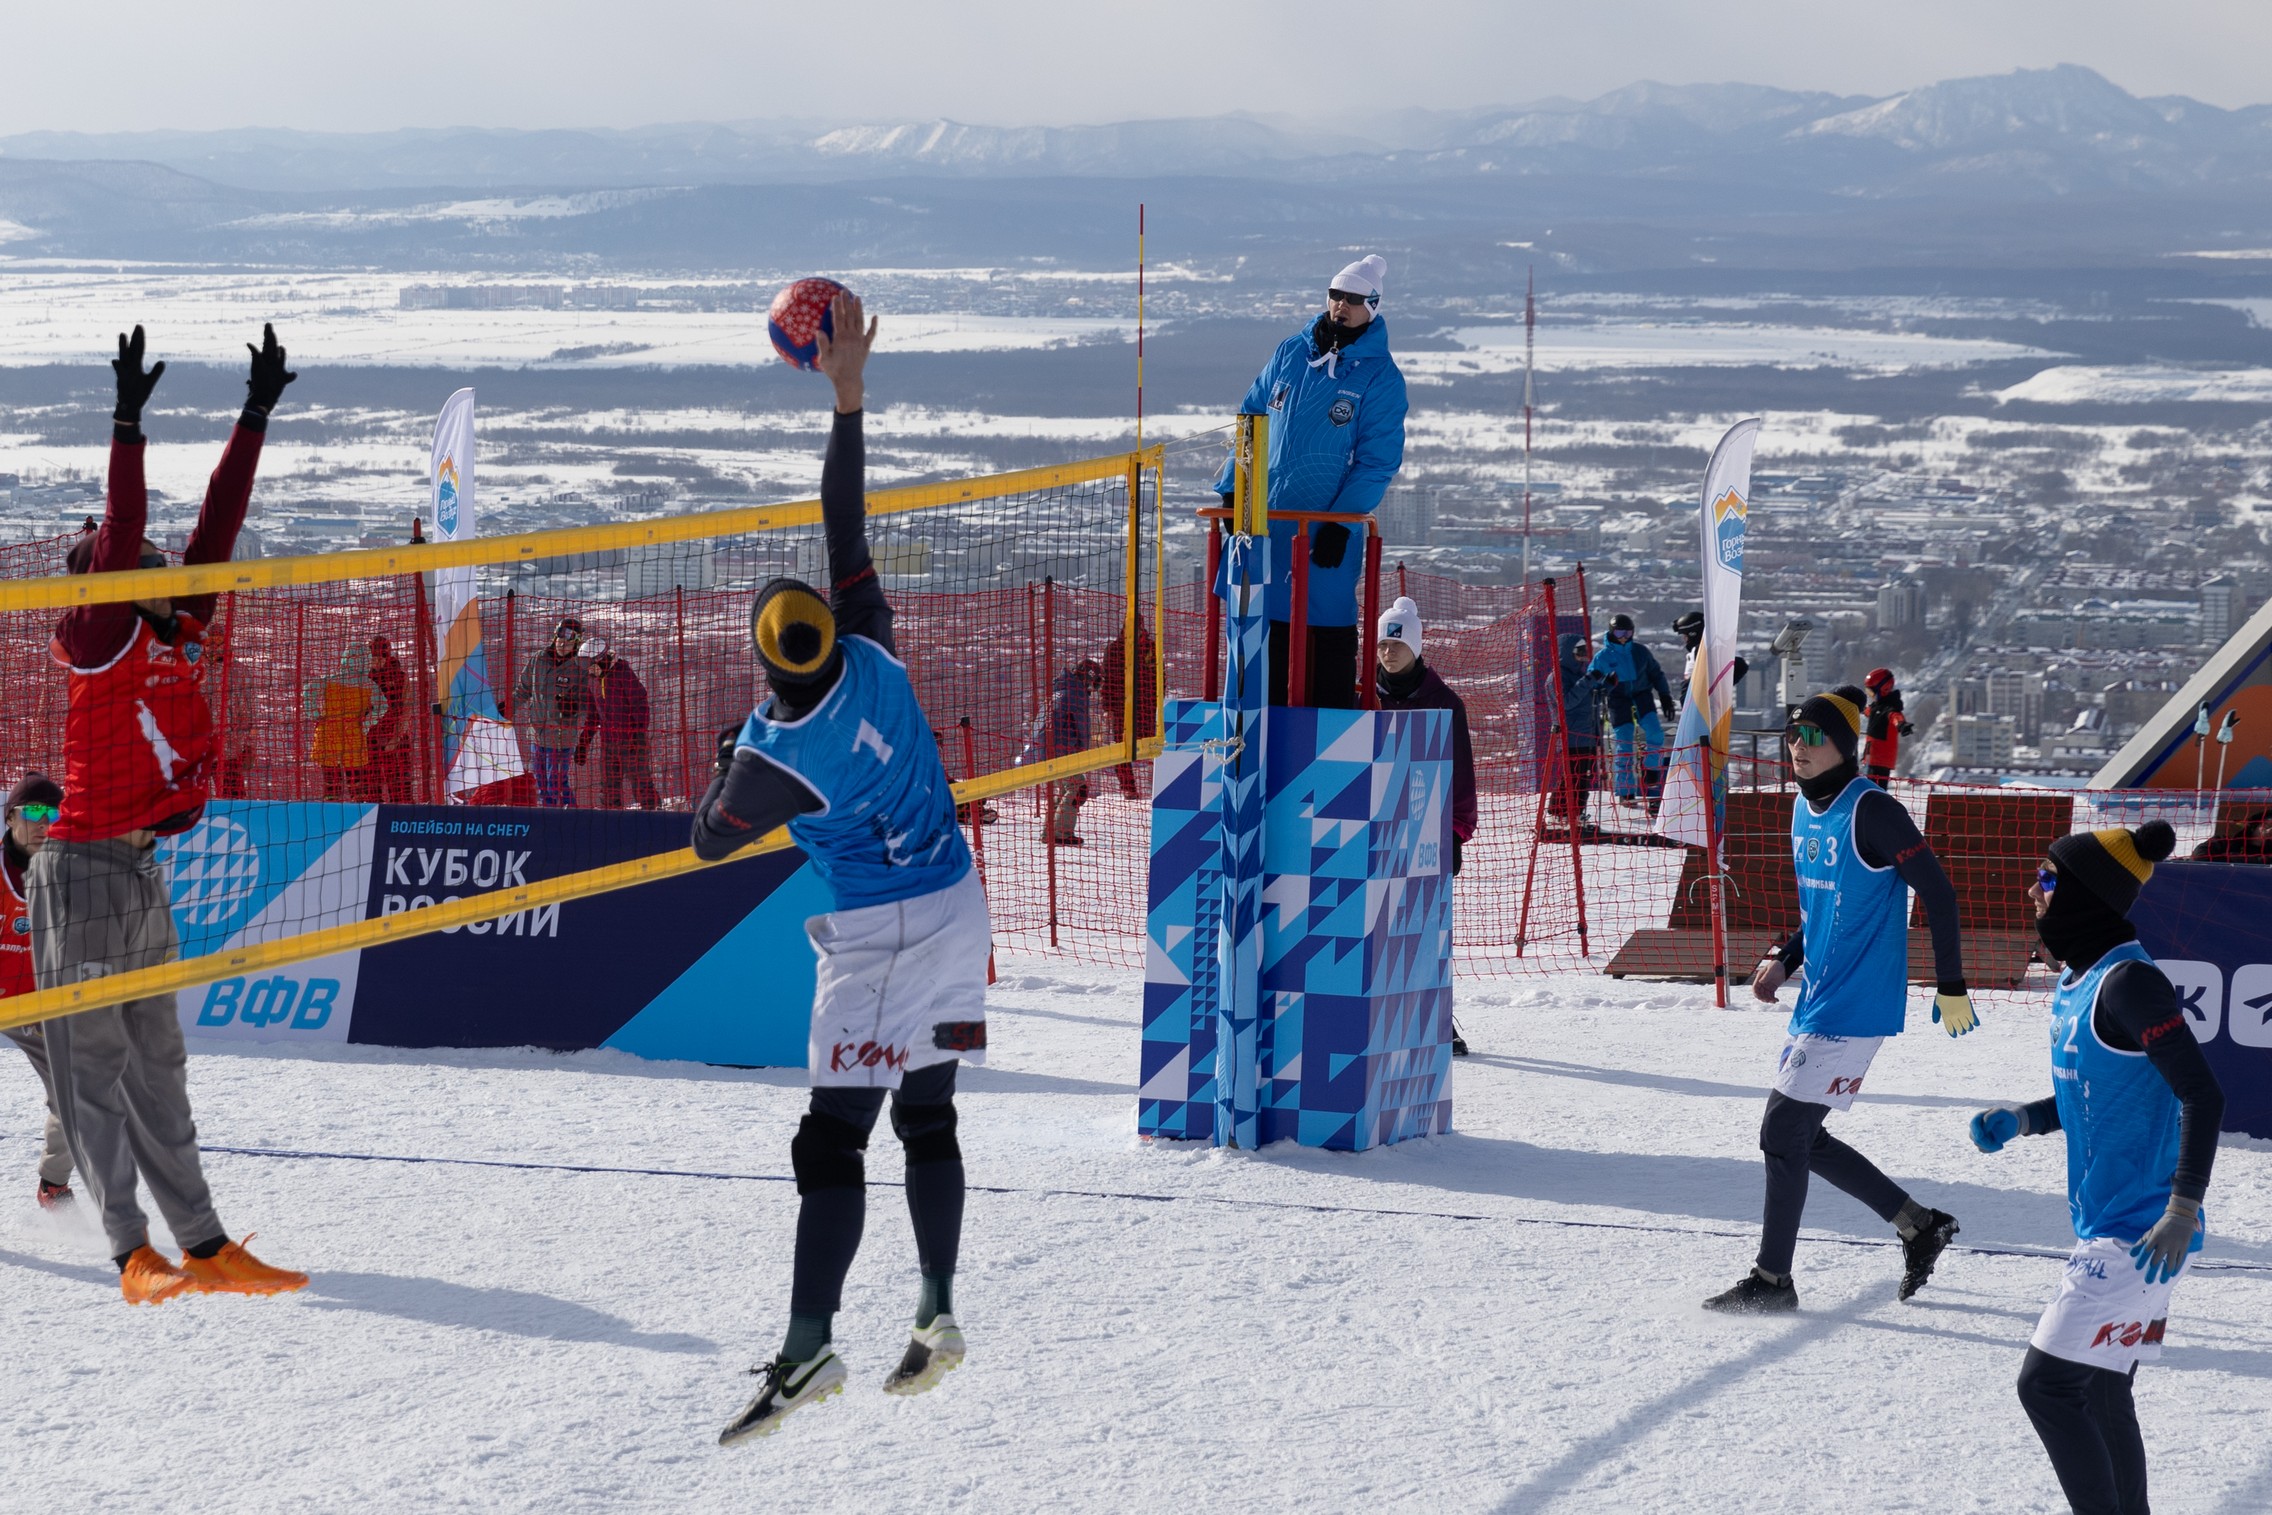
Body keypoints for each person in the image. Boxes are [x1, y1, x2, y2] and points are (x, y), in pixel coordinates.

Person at [692, 292, 988, 1445]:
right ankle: (938, 1307)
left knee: (829, 1142)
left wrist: (730, 749)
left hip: (878, 939)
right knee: (930, 1121)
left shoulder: (776, 753)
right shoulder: (872, 652)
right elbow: (843, 515)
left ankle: (811, 1346)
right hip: (958, 906)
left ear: (766, 667)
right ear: (827, 622)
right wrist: (848, 394)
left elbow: (712, 836)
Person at [34, 323, 306, 1304]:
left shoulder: (176, 618)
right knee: (94, 1078)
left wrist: (256, 412)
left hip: (141, 865)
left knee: (162, 1069)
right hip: (83, 869)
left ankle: (204, 1245)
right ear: (106, 573)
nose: (155, 556)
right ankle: (127, 1255)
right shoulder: (102, 629)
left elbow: (217, 527)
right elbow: (122, 517)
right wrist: (125, 425)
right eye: (134, 554)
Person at [1969, 818, 2220, 1515]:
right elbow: (2094, 1090)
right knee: (2105, 1390)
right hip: (2113, 1222)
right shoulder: (2082, 979)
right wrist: (2024, 1118)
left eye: (2048, 878)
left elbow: (2202, 1092)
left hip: (2142, 1236)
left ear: (2086, 895)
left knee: (2045, 1386)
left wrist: (2181, 1208)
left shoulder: (2131, 983)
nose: (2032, 889)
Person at [1707, 686, 1974, 1314]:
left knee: (1781, 1131)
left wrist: (1952, 983)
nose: (1798, 748)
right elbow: (1821, 908)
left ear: (1844, 746)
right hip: (1820, 995)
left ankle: (1773, 1281)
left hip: (1858, 1003)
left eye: (1814, 737)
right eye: (1792, 737)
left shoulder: (1872, 811)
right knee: (1802, 1137)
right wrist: (1786, 957)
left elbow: (1939, 894)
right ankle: (1919, 1224)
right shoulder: (1803, 808)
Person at [1214, 254, 1408, 709]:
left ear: (1373, 307)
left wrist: (1341, 523)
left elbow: (1377, 461)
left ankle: (1324, 754)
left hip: (1321, 535)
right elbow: (1251, 418)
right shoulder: (1291, 352)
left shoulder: (1380, 377)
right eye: (1336, 294)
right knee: (1256, 652)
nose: (1341, 305)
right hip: (1263, 528)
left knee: (1320, 639)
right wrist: (1231, 488)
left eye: (1354, 299)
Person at [1374, 596, 1479, 1056]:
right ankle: (1377, 1015)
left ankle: (1436, 1016)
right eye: (1381, 644)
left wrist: (1455, 832)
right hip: (1371, 826)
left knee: (1423, 926)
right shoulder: (1363, 696)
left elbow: (1461, 771)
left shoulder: (1443, 702)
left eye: (1396, 645)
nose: (1387, 652)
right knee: (1373, 924)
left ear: (1415, 647)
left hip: (1424, 830)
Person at [1, 773, 74, 1209]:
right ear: (11, 818)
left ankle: (53, 1185)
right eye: (33, 813)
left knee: (80, 1093)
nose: (44, 823)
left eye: (53, 813)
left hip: (37, 1004)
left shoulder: (74, 874)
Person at [1584, 614, 1676, 812]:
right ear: (1611, 632)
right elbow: (1592, 682)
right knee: (1624, 742)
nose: (1624, 637)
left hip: (1641, 695)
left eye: (1628, 632)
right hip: (1618, 699)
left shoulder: (1640, 652)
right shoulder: (1602, 657)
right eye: (1619, 632)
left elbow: (1656, 673)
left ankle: (1650, 769)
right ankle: (1625, 789)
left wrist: (1665, 695)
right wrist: (1602, 687)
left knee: (1655, 733)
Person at [1022, 659, 1102, 845]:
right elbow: (1082, 728)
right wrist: (1083, 752)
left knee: (1066, 789)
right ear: (1088, 679)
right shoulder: (1075, 695)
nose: (1092, 690)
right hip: (1061, 749)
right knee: (1077, 789)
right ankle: (1060, 834)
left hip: (1046, 749)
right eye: (1094, 684)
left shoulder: (1059, 691)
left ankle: (1050, 833)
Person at [514, 616, 590, 807]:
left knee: (556, 783)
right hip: (537, 734)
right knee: (542, 785)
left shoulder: (579, 669)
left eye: (568, 642)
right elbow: (523, 689)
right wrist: (507, 707)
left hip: (561, 736)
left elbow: (587, 701)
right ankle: (549, 820)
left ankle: (571, 819)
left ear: (576, 644)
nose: (562, 644)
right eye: (560, 639)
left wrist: (573, 707)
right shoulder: (539, 659)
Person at [577, 640, 662, 810]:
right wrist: (583, 743)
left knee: (641, 785)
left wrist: (637, 734)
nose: (588, 669)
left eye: (590, 664)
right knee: (609, 789)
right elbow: (593, 716)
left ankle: (654, 818)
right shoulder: (592, 681)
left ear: (601, 659)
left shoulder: (623, 673)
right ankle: (611, 825)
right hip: (608, 743)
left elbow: (640, 704)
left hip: (631, 741)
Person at [304, 645, 387, 802]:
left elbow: (309, 690)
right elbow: (382, 706)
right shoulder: (368, 685)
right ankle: (357, 812)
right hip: (352, 733)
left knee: (332, 781)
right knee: (355, 781)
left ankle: (332, 810)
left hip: (330, 733)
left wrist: (314, 714)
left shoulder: (332, 680)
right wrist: (367, 723)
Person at [1547, 632, 1602, 834]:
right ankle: (1557, 813)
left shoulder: (1578, 674)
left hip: (1586, 733)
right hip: (1571, 736)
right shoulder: (1556, 677)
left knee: (1584, 776)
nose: (1582, 657)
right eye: (1579, 653)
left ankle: (1575, 813)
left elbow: (1587, 697)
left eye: (1585, 653)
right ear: (1567, 653)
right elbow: (1567, 703)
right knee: (1572, 776)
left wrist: (1605, 686)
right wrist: (1588, 681)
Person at [1100, 615, 1158, 798]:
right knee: (1121, 748)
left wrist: (1158, 703)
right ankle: (1128, 788)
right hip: (1121, 708)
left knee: (1153, 746)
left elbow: (1160, 676)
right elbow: (1107, 679)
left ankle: (1159, 786)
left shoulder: (1151, 648)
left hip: (1146, 707)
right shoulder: (1114, 649)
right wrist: (1107, 707)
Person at [366, 635, 415, 802]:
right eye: (374, 658)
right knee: (371, 784)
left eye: (380, 658)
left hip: (394, 735)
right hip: (370, 736)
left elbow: (406, 708)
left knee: (400, 784)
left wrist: (397, 736)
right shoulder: (364, 677)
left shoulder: (400, 677)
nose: (376, 662)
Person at [1862, 667, 1912, 783]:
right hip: (1871, 758)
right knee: (1868, 789)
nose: (1870, 695)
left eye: (1871, 692)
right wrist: (1856, 707)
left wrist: (1902, 725)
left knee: (1876, 791)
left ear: (1883, 689)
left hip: (1881, 762)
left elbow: (1896, 718)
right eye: (1868, 692)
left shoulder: (1889, 709)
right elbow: (1868, 711)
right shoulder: (1876, 708)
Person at [2188, 809, 2271, 863]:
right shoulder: (2226, 842)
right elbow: (2198, 857)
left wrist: (2231, 859)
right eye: (2267, 825)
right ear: (2254, 826)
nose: (2270, 830)